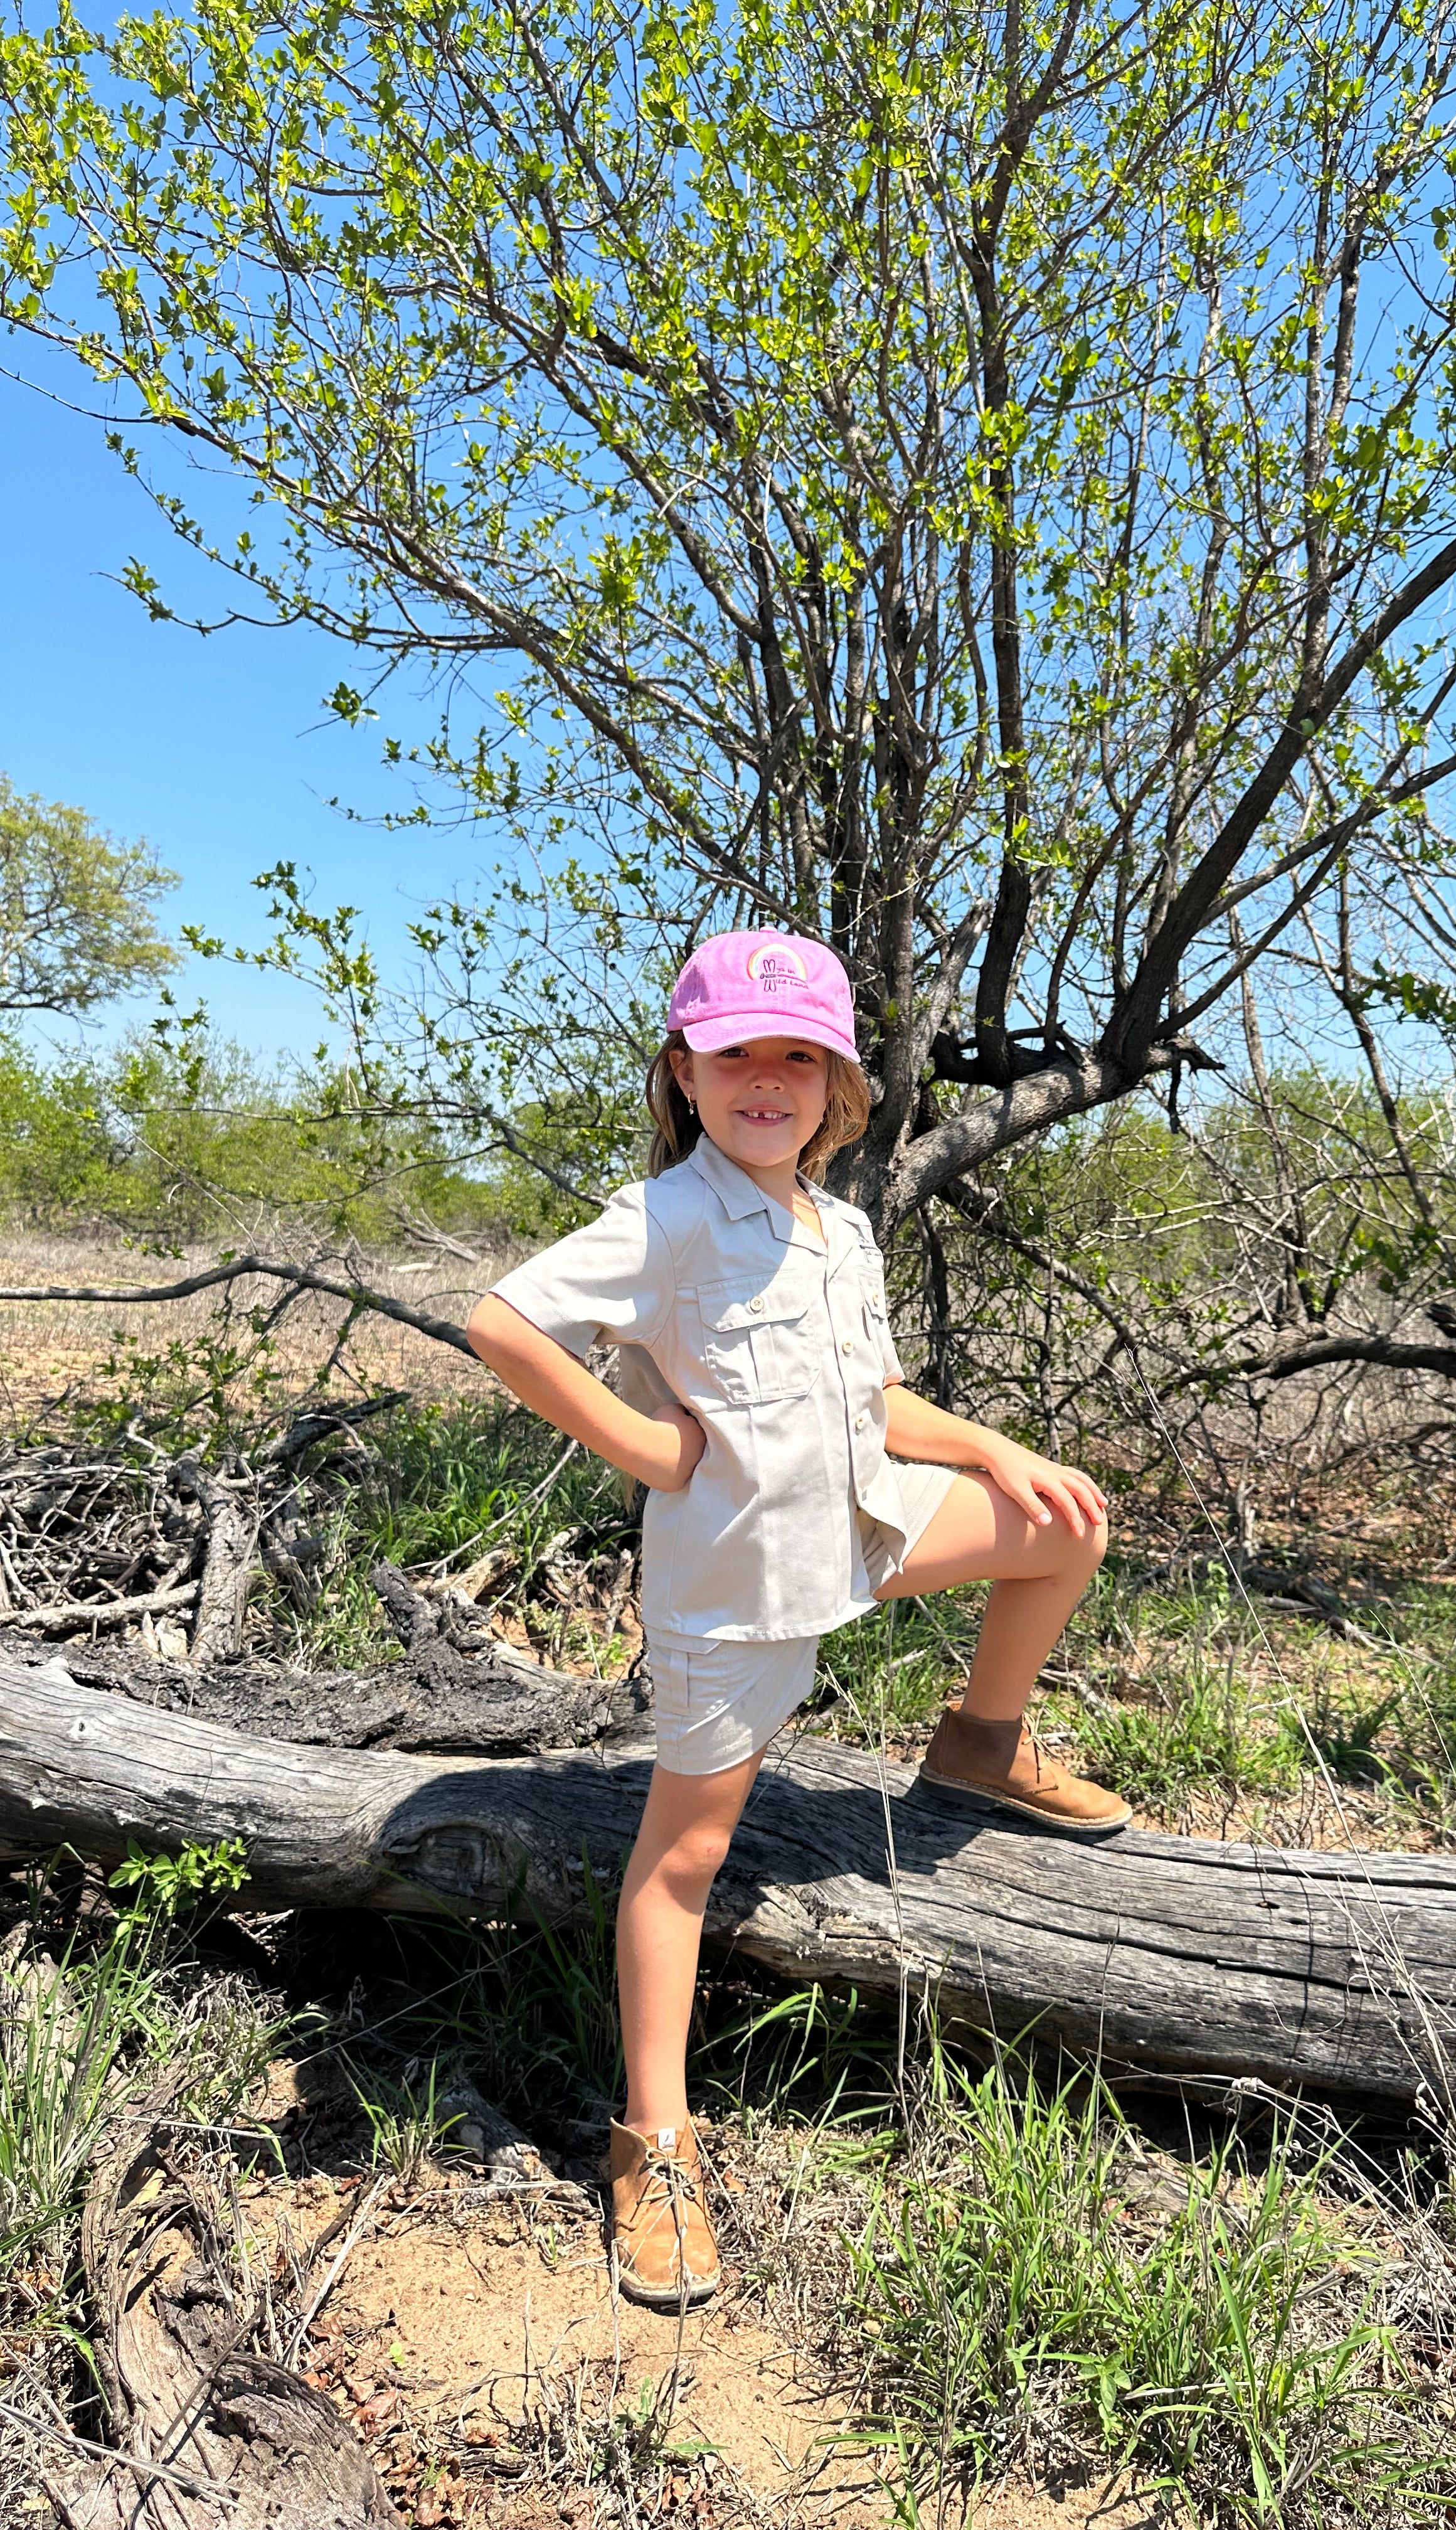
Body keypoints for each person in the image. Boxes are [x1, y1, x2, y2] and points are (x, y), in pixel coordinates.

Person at [465, 926, 1125, 2310]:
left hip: (863, 1529)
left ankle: (981, 1744)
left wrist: (991, 1451)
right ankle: (652, 2144)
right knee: (683, 1858)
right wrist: (651, 1453)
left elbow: (872, 1404)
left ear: (838, 1084)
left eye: (796, 1059)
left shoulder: (845, 1228)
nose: (767, 1082)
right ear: (686, 1077)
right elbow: (505, 1325)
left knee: (1068, 1523)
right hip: (745, 1584)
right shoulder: (672, 1218)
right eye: (735, 1059)